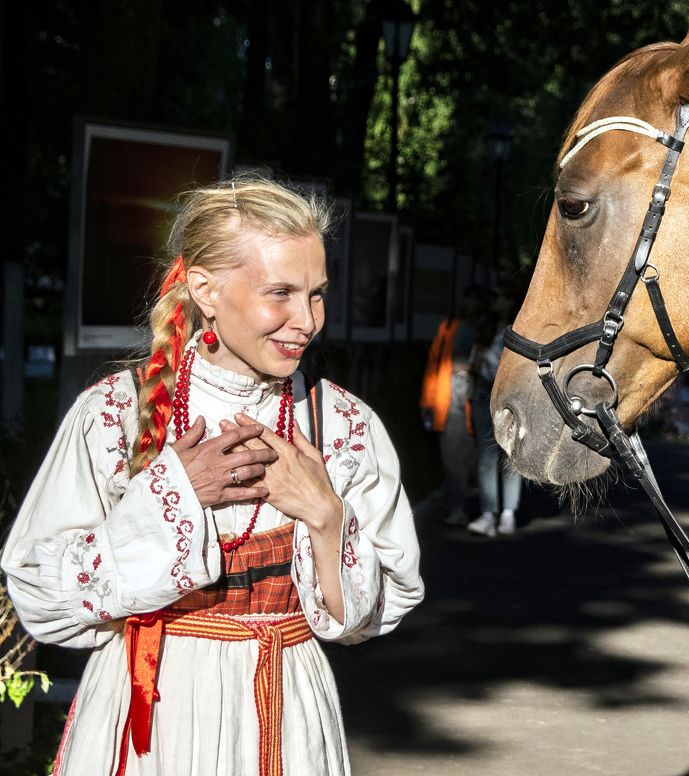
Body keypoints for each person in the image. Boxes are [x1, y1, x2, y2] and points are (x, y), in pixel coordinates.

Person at [1, 176, 423, 775]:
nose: (306, 320)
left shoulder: (342, 424)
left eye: (318, 294)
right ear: (206, 289)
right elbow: (40, 593)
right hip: (152, 716)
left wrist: (327, 516)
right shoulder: (116, 415)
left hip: (286, 717)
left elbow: (375, 610)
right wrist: (171, 497)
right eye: (280, 292)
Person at [419, 286, 485, 526]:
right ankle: (460, 507)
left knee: (471, 458)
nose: (470, 306)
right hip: (450, 403)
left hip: (474, 402)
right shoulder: (448, 328)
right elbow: (434, 365)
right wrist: (427, 400)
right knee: (454, 459)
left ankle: (476, 507)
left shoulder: (482, 331)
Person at [466, 291, 523, 538]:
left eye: (502, 295)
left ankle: (508, 513)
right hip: (482, 394)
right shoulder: (487, 324)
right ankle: (489, 513)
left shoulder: (519, 327)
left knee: (510, 455)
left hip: (510, 397)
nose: (497, 299)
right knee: (487, 455)